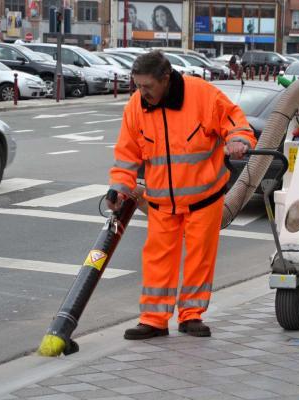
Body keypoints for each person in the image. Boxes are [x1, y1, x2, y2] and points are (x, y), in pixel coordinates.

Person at [108, 51, 256, 340]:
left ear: (166, 79)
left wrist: (238, 140)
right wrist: (119, 187)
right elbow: (126, 155)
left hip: (205, 198)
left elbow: (235, 121)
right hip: (162, 202)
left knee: (199, 259)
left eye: (147, 86)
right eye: (137, 85)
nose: (142, 92)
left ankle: (191, 315)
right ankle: (153, 319)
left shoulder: (201, 95)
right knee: (157, 259)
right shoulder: (136, 107)